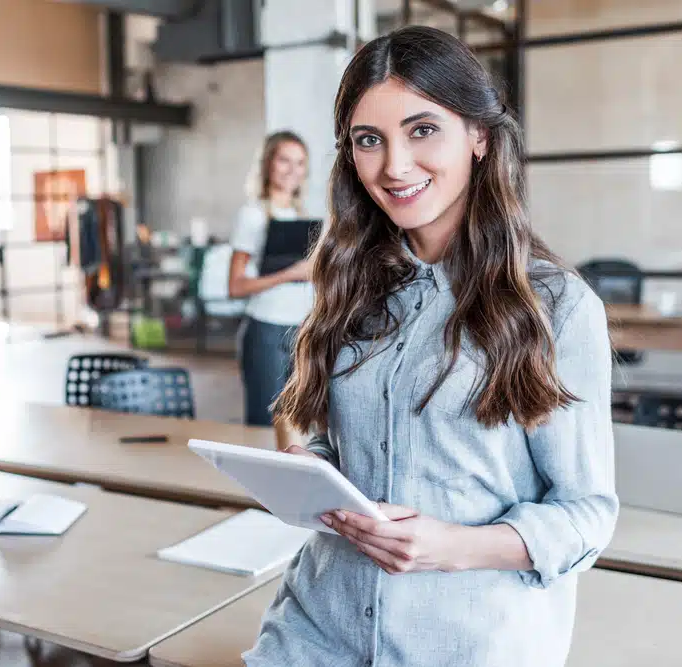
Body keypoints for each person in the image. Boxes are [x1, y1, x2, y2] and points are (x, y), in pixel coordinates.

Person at [247, 27, 618, 667]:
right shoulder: (354, 286)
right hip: (315, 634)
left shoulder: (556, 307)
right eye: (369, 140)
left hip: (465, 645)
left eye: (422, 130)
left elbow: (586, 516)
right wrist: (313, 475)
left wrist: (451, 546)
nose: (394, 165)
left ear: (479, 137)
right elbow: (352, 451)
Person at [227, 131, 314, 448]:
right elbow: (235, 286)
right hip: (266, 331)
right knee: (264, 425)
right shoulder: (252, 214)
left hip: (300, 330)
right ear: (268, 164)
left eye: (300, 163)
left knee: (295, 422)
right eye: (284, 161)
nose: (292, 170)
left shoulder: (302, 216)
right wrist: (289, 274)